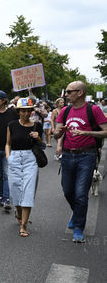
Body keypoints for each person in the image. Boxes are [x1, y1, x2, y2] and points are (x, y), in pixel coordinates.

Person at [53, 81, 107, 243]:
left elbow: (105, 131)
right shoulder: (65, 110)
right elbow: (56, 134)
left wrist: (86, 132)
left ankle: (78, 228)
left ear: (80, 92)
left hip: (87, 156)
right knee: (68, 191)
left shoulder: (94, 110)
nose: (66, 95)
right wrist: (59, 132)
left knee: (81, 194)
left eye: (69, 92)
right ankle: (77, 214)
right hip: (67, 155)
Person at [6, 97, 43, 238]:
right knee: (15, 190)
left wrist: (38, 138)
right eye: (23, 111)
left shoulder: (37, 125)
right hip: (14, 158)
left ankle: (23, 225)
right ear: (18, 111)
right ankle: (19, 212)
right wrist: (8, 157)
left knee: (28, 191)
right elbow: (8, 143)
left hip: (30, 160)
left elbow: (42, 145)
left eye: (29, 111)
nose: (26, 114)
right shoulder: (12, 125)